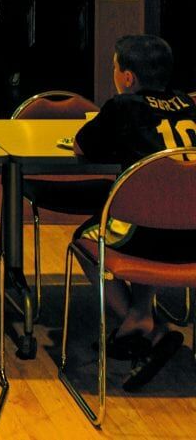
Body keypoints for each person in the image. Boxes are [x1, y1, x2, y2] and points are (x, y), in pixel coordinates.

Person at [71, 34, 196, 390]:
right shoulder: (190, 104)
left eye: (114, 66)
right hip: (191, 235)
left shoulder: (123, 107)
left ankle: (141, 322)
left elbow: (82, 147)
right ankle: (143, 321)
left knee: (85, 240)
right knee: (153, 217)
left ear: (127, 77)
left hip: (148, 234)